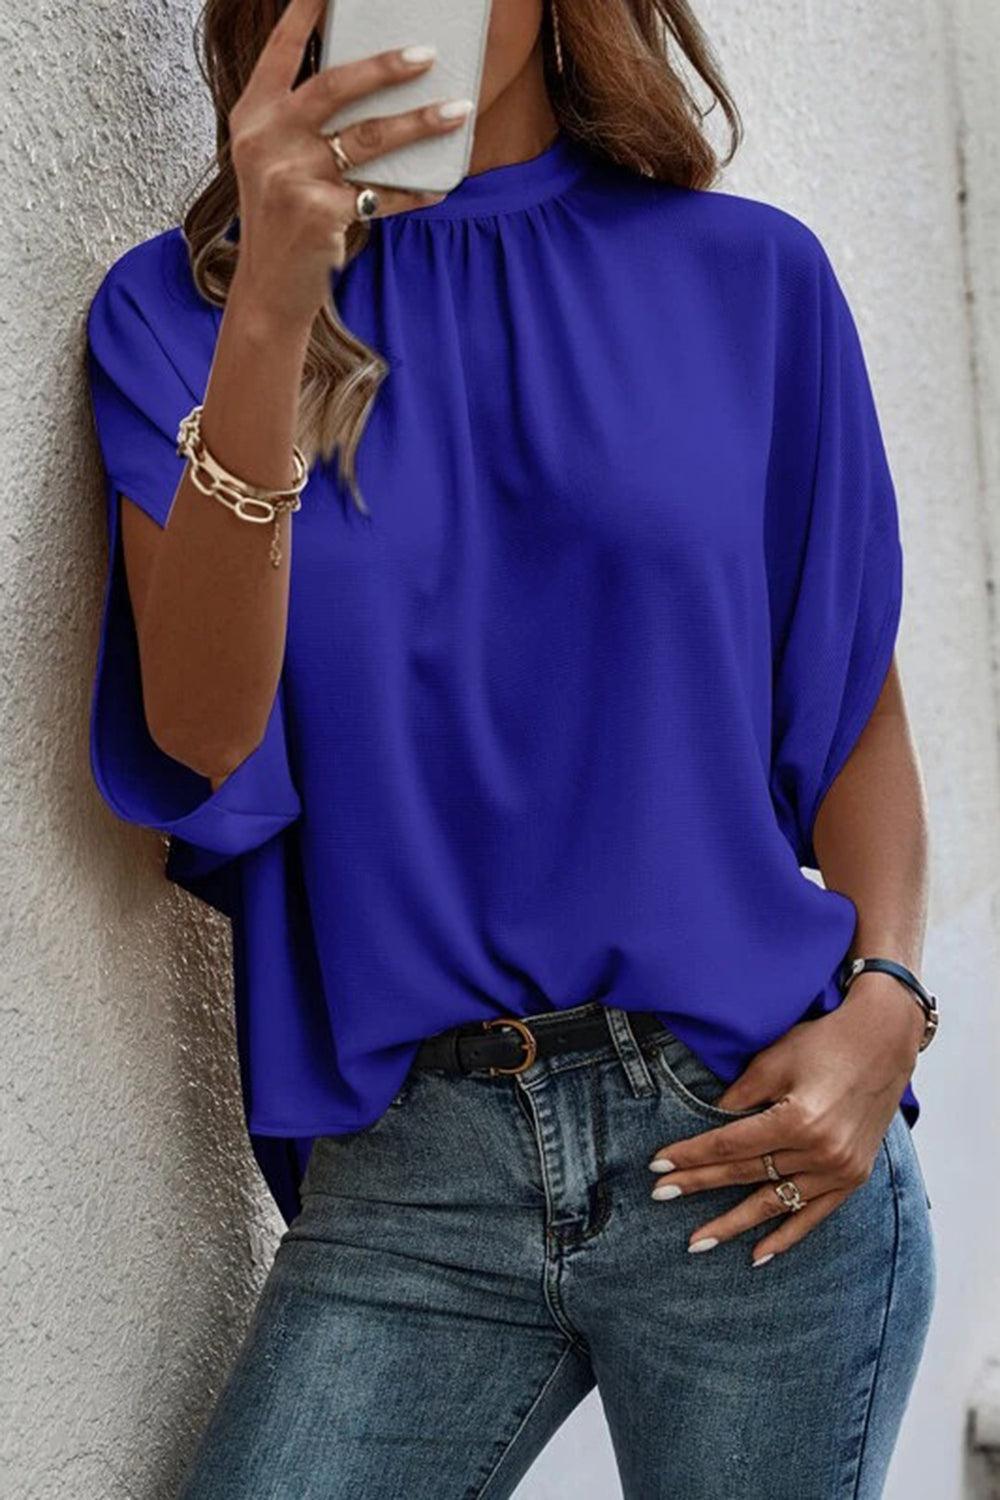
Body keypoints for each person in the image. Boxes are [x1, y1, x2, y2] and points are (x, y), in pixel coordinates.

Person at [84, 0, 938, 1494]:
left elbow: (850, 703)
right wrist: (278, 304)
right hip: (415, 1176)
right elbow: (205, 731)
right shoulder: (180, 317)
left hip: (742, 1143)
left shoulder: (751, 280)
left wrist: (888, 1007)